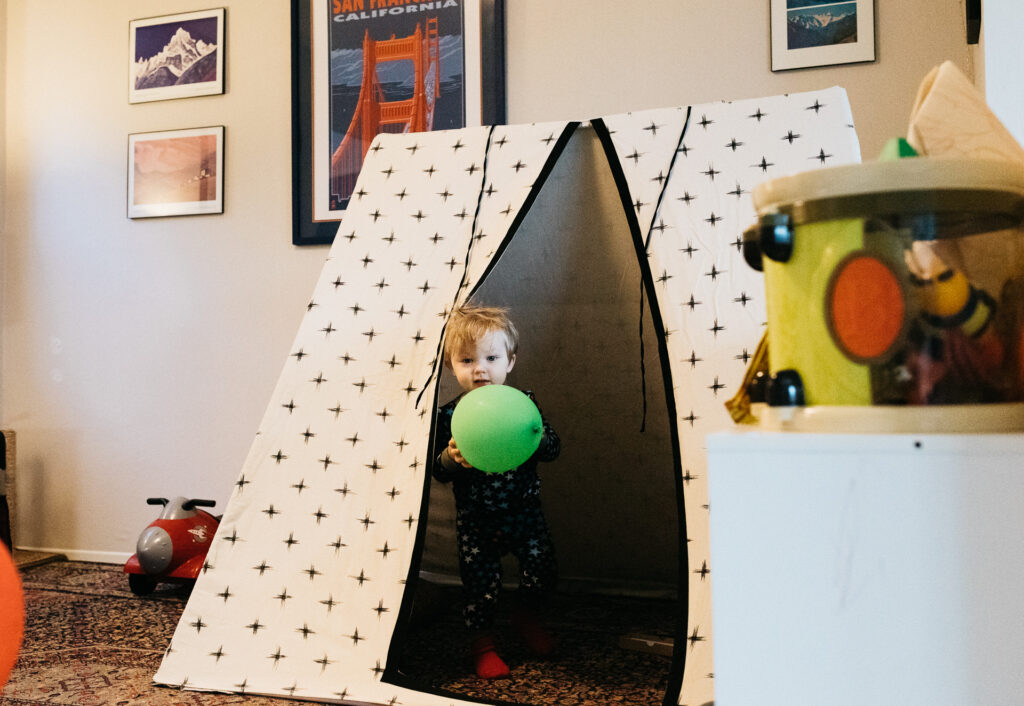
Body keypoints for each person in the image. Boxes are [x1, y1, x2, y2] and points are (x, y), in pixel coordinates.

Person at [432, 304, 561, 679]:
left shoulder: (523, 406)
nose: (480, 368)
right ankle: (483, 646)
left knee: (543, 570)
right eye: (467, 360)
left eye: (491, 357)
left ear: (510, 361)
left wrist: (534, 437)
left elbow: (554, 449)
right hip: (477, 521)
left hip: (525, 513)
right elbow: (438, 473)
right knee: (479, 587)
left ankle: (526, 615)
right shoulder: (448, 417)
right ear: (451, 366)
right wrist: (451, 457)